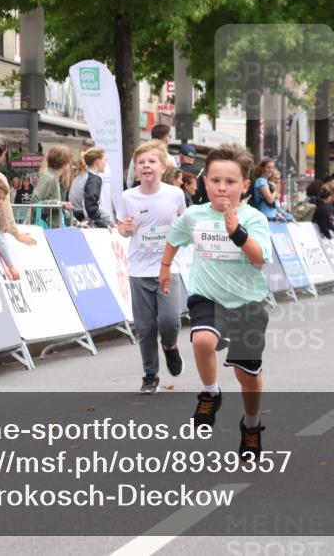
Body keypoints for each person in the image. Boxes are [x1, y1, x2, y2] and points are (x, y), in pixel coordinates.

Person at [158, 144, 272, 457]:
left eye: (230, 182)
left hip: (247, 303)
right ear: (205, 181)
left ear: (245, 186)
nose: (222, 187)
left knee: (246, 374)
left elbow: (261, 259)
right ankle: (211, 392)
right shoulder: (195, 215)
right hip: (207, 296)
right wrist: (166, 267)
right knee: (203, 341)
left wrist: (238, 233)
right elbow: (174, 237)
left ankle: (251, 424)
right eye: (215, 180)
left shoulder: (255, 219)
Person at [118, 140, 188, 394]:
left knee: (169, 321)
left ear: (162, 167)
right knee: (145, 327)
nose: (146, 166)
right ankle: (150, 375)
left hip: (169, 268)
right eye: (141, 163)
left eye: (152, 162)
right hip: (139, 269)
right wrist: (124, 229)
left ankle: (169, 346)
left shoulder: (175, 194)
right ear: (136, 169)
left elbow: (184, 223)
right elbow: (123, 228)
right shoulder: (128, 197)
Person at [30, 145, 74, 228]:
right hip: (47, 229)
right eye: (69, 161)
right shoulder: (48, 177)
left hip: (52, 228)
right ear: (65, 163)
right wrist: (58, 204)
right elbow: (35, 203)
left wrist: (76, 223)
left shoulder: (54, 178)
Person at [126, 123, 177, 189]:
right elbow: (176, 181)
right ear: (166, 139)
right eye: (170, 136)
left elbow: (129, 182)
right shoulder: (169, 159)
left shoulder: (138, 156)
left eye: (152, 161)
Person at [82, 147, 112, 228]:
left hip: (81, 222)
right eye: (104, 160)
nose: (105, 164)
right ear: (98, 162)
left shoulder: (82, 176)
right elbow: (90, 205)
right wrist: (104, 224)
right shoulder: (94, 180)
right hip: (90, 225)